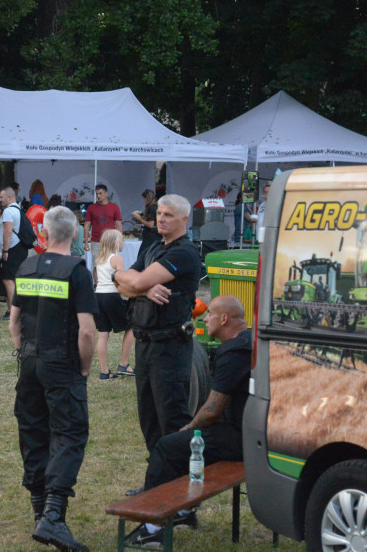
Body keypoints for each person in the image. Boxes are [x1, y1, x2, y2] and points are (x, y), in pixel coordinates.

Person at [123, 295, 251, 548]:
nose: (205, 318)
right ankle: (183, 511)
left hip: (240, 439)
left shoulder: (233, 352)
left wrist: (189, 428)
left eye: (211, 314)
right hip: (256, 433)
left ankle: (151, 527)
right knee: (185, 447)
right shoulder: (251, 341)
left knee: (168, 447)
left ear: (224, 319)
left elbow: (213, 409)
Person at [9, 205, 97, 552]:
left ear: (43, 233)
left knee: (33, 431)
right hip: (61, 362)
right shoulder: (77, 270)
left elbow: (14, 323)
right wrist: (85, 367)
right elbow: (87, 332)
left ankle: (38, 511)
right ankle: (53, 516)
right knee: (69, 432)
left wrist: (24, 352)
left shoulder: (27, 266)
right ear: (74, 234)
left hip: (29, 360)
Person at [114, 194, 201, 496]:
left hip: (170, 347)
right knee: (149, 420)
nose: (161, 219)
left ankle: (183, 494)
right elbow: (123, 284)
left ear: (184, 221)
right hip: (145, 344)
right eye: (159, 213)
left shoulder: (185, 252)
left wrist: (136, 284)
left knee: (172, 422)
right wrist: (136, 285)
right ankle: (157, 485)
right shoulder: (153, 248)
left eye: (168, 215)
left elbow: (132, 283)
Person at [92, 229, 135, 381]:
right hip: (111, 296)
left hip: (98, 296)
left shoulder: (99, 258)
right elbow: (122, 279)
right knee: (132, 326)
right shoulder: (117, 258)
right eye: (121, 239)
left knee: (103, 333)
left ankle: (105, 372)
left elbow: (96, 276)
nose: (123, 242)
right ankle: (124, 364)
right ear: (115, 242)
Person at [0, 186, 29, 320]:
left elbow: (7, 231)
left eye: (1, 197)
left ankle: (12, 311)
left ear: (9, 197)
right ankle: (17, 309)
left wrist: (5, 250)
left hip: (12, 248)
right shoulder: (19, 210)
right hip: (21, 248)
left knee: (8, 280)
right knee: (15, 280)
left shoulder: (8, 212)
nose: (0, 199)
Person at [83, 183, 122, 253]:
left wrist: (120, 242)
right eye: (97, 194)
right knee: (97, 264)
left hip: (111, 241)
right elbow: (87, 225)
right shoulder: (91, 207)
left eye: (100, 193)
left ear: (106, 193)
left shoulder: (114, 207)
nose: (98, 196)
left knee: (111, 263)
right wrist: (86, 242)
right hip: (96, 242)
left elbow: (118, 225)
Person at [132, 188, 161, 260]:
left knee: (142, 258)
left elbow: (150, 224)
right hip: (156, 236)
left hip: (150, 237)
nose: (144, 201)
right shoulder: (157, 206)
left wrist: (139, 219)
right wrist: (142, 215)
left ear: (147, 198)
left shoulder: (151, 207)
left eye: (144, 198)